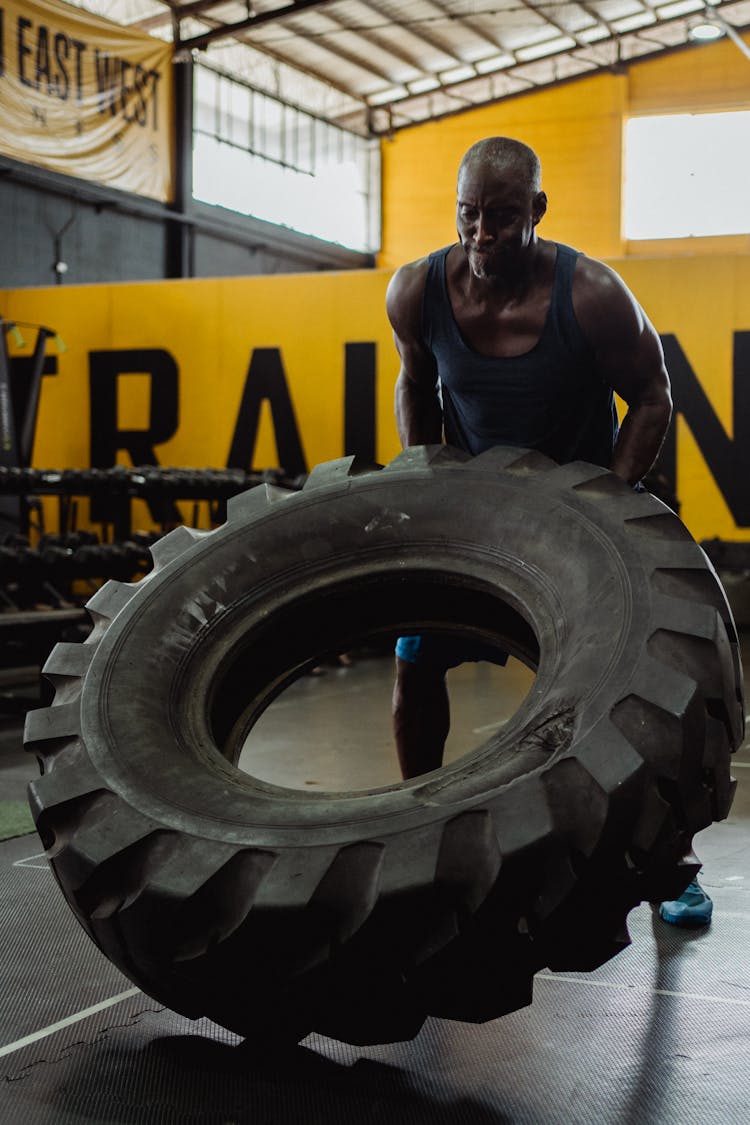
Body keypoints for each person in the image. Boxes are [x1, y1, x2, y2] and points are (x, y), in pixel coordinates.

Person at [385, 135, 712, 927]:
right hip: (477, 517)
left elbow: (655, 397)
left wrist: (609, 499)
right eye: (468, 215)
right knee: (416, 665)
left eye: (501, 217)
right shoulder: (417, 291)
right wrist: (431, 474)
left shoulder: (591, 293)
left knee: (640, 699)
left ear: (536, 210)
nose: (481, 234)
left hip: (583, 521)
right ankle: (410, 831)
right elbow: (414, 380)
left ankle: (670, 866)